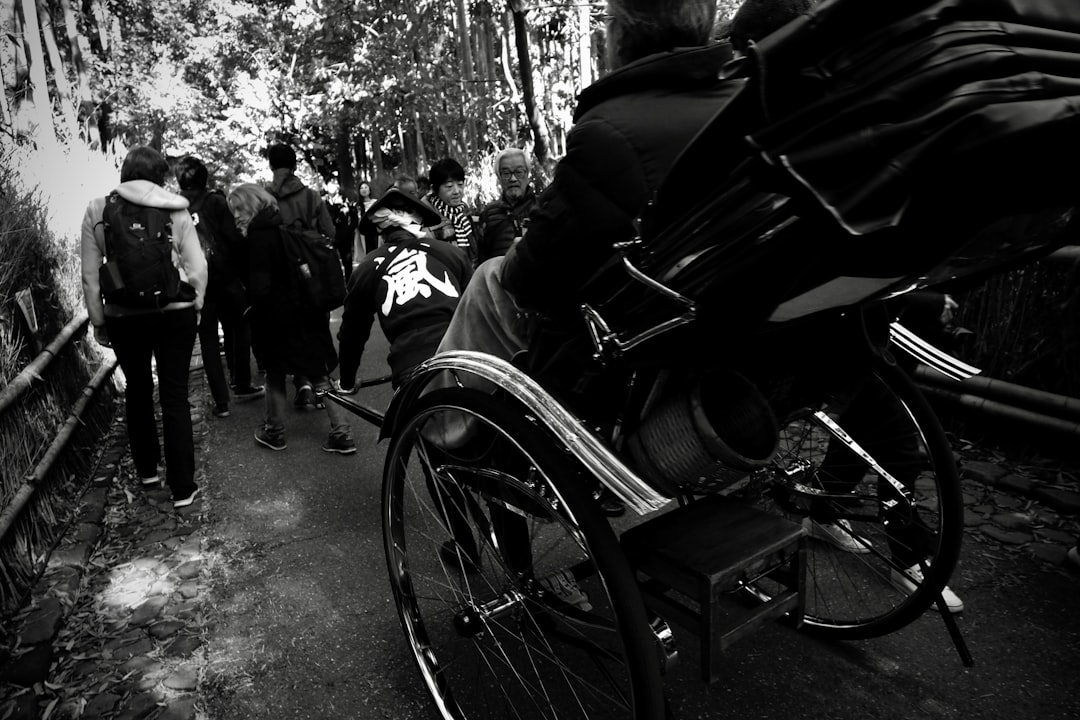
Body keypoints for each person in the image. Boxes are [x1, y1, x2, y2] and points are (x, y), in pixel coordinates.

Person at [80, 145, 207, 508]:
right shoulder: (176, 207)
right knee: (174, 395)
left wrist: (99, 321)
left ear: (123, 173)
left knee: (137, 390)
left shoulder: (97, 209)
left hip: (124, 315)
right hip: (174, 312)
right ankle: (183, 489)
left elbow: (91, 276)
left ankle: (148, 472)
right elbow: (196, 267)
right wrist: (194, 305)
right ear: (160, 176)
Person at [226, 183, 356, 455]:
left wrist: (253, 313)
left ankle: (275, 431)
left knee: (275, 375)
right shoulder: (280, 227)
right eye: (232, 210)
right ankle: (342, 432)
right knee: (319, 375)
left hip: (278, 319)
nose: (236, 214)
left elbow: (261, 287)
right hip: (306, 312)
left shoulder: (258, 237)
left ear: (253, 204)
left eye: (239, 208)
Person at [337, 188, 473, 391]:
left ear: (381, 231)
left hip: (411, 365)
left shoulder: (368, 267)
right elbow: (475, 309)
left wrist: (347, 382)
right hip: (467, 357)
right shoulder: (452, 253)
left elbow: (352, 335)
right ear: (418, 223)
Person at [174, 156, 264, 419]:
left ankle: (221, 401)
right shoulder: (215, 201)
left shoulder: (174, 207)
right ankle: (241, 382)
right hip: (224, 277)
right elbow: (234, 239)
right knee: (239, 325)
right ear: (204, 177)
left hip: (194, 281)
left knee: (208, 340)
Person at [266, 143, 336, 410]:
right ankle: (321, 385)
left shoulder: (266, 197)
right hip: (312, 271)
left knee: (291, 329)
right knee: (317, 326)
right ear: (295, 165)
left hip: (282, 273)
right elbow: (330, 232)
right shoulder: (311, 196)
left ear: (271, 166)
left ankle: (302, 382)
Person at [475, 147, 538, 266]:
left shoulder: (543, 208)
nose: (513, 179)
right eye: (506, 173)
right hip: (498, 280)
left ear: (528, 174)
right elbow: (481, 259)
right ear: (499, 177)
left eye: (519, 172)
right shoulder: (489, 214)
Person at [424, 158, 479, 265]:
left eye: (460, 184)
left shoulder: (464, 213)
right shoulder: (426, 218)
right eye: (449, 186)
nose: (457, 191)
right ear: (434, 189)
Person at [356, 179, 379, 256]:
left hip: (375, 231)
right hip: (363, 233)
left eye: (366, 187)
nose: (364, 190)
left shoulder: (375, 202)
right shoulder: (358, 206)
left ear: (369, 189)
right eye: (361, 188)